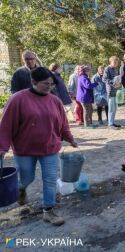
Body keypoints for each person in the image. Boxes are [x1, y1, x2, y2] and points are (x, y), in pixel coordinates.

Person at [0, 67, 77, 226]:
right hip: (25, 149)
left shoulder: (54, 100)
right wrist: (2, 147)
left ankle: (48, 211)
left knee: (50, 179)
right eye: (45, 84)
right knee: (27, 177)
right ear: (33, 82)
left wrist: (70, 138)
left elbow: (63, 124)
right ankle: (21, 189)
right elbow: (6, 125)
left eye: (51, 84)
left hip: (49, 147)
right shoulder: (18, 99)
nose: (49, 87)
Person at [103, 56, 121, 129]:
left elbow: (116, 78)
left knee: (114, 108)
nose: (116, 63)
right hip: (110, 91)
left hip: (115, 90)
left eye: (117, 62)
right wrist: (113, 82)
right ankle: (110, 124)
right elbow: (104, 79)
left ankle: (112, 122)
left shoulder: (115, 69)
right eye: (114, 62)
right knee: (111, 108)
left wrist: (118, 83)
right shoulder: (107, 69)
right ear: (110, 62)